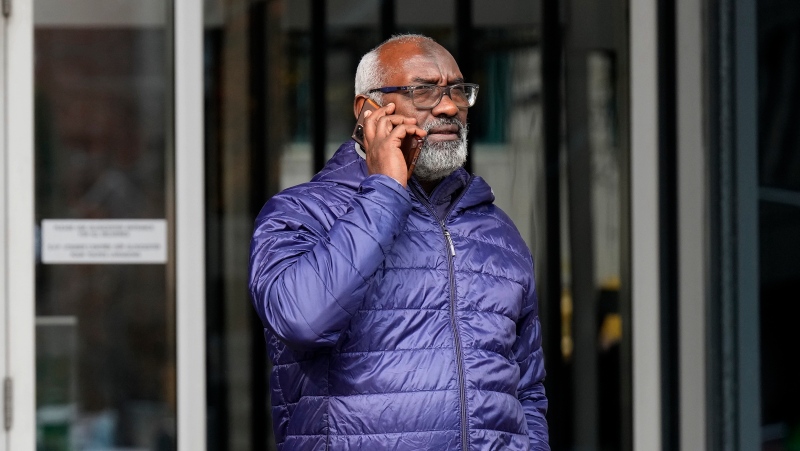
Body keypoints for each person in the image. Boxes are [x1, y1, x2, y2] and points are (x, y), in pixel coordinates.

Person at [248, 34, 549, 450]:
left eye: (458, 90)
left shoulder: (496, 229)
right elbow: (301, 319)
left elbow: (527, 389)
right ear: (368, 109)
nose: (448, 107)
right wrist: (386, 189)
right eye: (422, 90)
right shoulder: (301, 214)